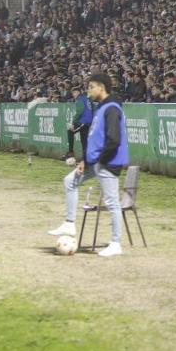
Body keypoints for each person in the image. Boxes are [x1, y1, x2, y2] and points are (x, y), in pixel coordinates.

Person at [48, 73, 128, 258]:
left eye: (91, 86)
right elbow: (95, 137)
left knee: (112, 203)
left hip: (108, 162)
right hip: (95, 162)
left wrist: (99, 159)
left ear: (101, 87)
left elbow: (113, 140)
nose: (88, 90)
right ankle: (69, 222)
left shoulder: (112, 108)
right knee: (70, 181)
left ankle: (116, 243)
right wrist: (85, 159)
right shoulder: (101, 108)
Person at [66, 85, 94, 165]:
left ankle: (71, 153)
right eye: (72, 93)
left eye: (74, 93)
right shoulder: (86, 98)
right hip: (88, 121)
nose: (73, 95)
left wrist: (73, 122)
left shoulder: (80, 100)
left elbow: (80, 111)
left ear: (78, 92)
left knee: (70, 131)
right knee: (84, 139)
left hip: (83, 121)